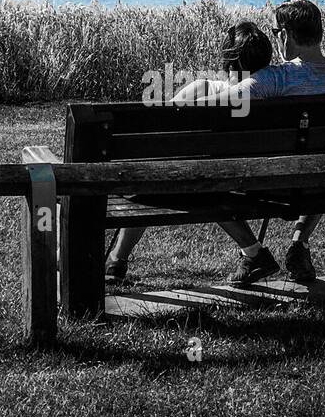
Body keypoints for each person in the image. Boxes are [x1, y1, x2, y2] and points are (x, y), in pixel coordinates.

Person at [105, 21, 274, 282]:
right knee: (191, 186)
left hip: (196, 181)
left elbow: (161, 138)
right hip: (248, 180)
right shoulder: (275, 96)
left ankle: (116, 262)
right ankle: (253, 252)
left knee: (152, 184)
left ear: (228, 60)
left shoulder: (203, 90)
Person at [221, 0, 325, 285]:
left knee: (212, 182)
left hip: (277, 184)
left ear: (286, 36)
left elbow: (220, 103)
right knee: (323, 161)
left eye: (276, 33)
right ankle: (298, 245)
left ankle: (253, 253)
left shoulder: (276, 79)